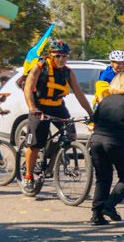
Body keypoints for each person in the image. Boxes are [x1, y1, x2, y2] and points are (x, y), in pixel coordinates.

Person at [22, 39, 94, 192]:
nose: (61, 59)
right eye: (58, 56)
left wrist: (91, 113)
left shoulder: (68, 72)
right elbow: (27, 89)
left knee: (71, 135)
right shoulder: (39, 67)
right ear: (50, 55)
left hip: (57, 107)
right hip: (39, 107)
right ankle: (28, 176)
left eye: (64, 56)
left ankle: (52, 157)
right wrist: (33, 108)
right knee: (34, 145)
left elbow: (80, 94)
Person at [87, 72, 124, 225]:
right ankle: (110, 205)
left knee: (103, 178)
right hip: (117, 142)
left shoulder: (104, 101)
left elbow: (94, 120)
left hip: (97, 141)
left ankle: (96, 215)